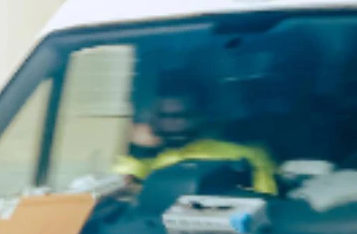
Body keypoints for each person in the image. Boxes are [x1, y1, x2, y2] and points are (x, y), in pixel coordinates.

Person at [114, 74, 277, 193]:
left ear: (202, 115)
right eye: (165, 116)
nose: (175, 124)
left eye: (183, 116)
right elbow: (119, 177)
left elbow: (267, 204)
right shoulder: (151, 157)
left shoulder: (248, 155)